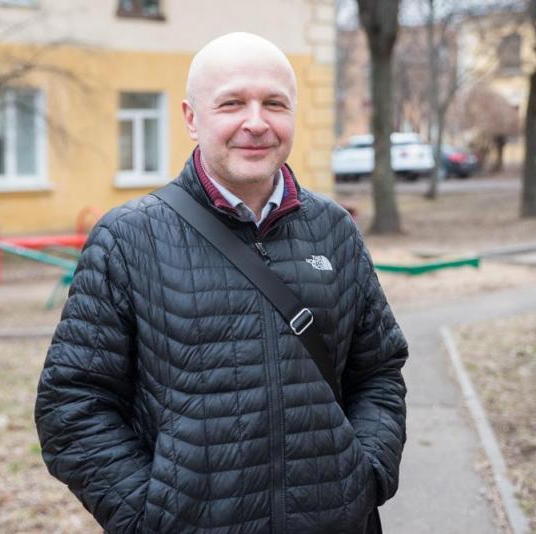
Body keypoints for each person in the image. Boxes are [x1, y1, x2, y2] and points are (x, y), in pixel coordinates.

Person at [35, 32, 408, 534]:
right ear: (192, 118)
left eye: (274, 103)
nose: (256, 122)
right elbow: (72, 404)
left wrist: (365, 475)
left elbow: (379, 372)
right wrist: (151, 518)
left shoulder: (334, 229)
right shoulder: (127, 237)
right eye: (232, 103)